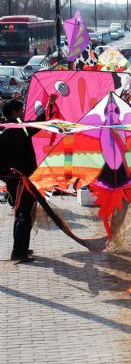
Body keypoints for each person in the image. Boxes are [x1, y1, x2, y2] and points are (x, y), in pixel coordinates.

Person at [0, 98, 53, 262]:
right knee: (24, 214)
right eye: (21, 110)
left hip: (20, 179)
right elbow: (34, 126)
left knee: (25, 213)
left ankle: (22, 248)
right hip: (19, 180)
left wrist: (48, 107)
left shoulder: (14, 129)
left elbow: (34, 126)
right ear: (14, 113)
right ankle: (18, 251)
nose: (23, 113)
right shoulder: (11, 130)